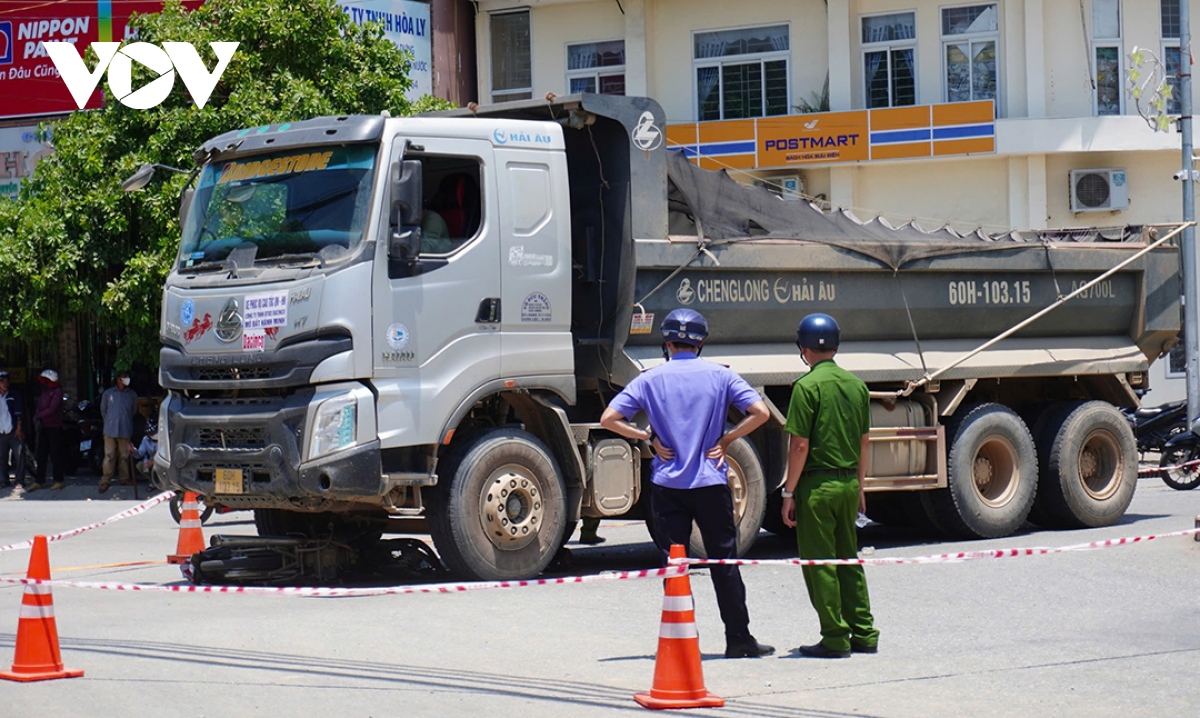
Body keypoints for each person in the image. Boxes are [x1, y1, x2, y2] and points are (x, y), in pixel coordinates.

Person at [600, 308, 774, 659]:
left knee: (675, 565)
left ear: (667, 343)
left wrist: (646, 436)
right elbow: (761, 413)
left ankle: (682, 642)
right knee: (723, 562)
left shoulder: (651, 379)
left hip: (667, 487)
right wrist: (726, 440)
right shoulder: (721, 377)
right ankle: (738, 638)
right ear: (701, 342)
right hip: (710, 482)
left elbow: (609, 418)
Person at [781, 313, 880, 658]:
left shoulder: (806, 387)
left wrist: (788, 492)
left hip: (817, 488)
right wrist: (860, 485)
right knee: (848, 559)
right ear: (836, 346)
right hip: (848, 483)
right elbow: (865, 442)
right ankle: (864, 632)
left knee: (820, 563)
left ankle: (835, 637)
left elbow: (799, 446)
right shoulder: (857, 386)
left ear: (803, 349)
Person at [99, 370, 138, 493]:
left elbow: (133, 410)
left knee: (124, 456)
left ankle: (125, 478)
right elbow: (103, 411)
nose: (127, 379)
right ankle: (105, 480)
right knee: (109, 456)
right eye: (124, 377)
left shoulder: (132, 395)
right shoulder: (108, 394)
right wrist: (110, 422)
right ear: (118, 379)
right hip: (110, 430)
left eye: (128, 376)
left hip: (125, 428)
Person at [30, 369, 66, 492]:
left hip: (54, 427)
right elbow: (40, 405)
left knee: (55, 454)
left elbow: (52, 409)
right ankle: (39, 480)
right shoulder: (46, 391)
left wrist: (39, 415)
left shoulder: (57, 391)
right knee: (41, 454)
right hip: (44, 427)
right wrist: (38, 415)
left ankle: (59, 480)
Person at [0, 370, 26, 487]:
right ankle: (3, 480)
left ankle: (19, 480)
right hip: (1, 431)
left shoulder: (14, 395)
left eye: (6, 381)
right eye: (2, 381)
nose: (5, 384)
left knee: (19, 454)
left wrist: (19, 428)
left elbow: (19, 413)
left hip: (13, 430)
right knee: (1, 457)